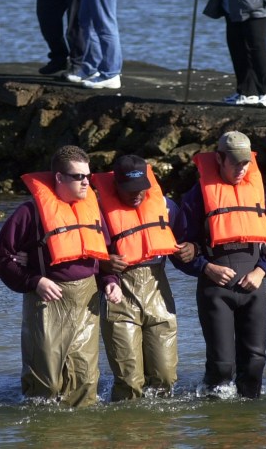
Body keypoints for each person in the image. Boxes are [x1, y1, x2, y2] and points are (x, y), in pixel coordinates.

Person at [0, 145, 123, 407]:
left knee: (85, 380)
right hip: (47, 302)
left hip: (87, 301)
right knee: (46, 383)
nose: (86, 181)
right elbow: (3, 258)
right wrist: (35, 281)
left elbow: (106, 255)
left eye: (88, 175)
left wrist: (111, 282)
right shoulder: (29, 213)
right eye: (78, 176)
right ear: (59, 178)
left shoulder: (93, 209)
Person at [178, 131, 266, 398]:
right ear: (219, 159)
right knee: (222, 366)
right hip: (215, 290)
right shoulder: (197, 196)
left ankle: (250, 430)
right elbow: (179, 249)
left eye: (246, 163)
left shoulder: (261, 195)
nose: (241, 169)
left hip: (252, 288)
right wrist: (206, 267)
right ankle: (218, 427)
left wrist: (262, 271)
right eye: (235, 162)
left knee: (255, 364)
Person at [89, 154, 196, 401]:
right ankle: (127, 433)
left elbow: (187, 242)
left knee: (166, 377)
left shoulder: (167, 207)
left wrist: (193, 249)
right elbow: (82, 258)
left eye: (142, 189)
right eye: (130, 190)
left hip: (159, 293)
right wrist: (104, 263)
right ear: (115, 186)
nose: (137, 195)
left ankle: (159, 435)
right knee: (130, 382)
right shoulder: (99, 212)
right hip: (119, 296)